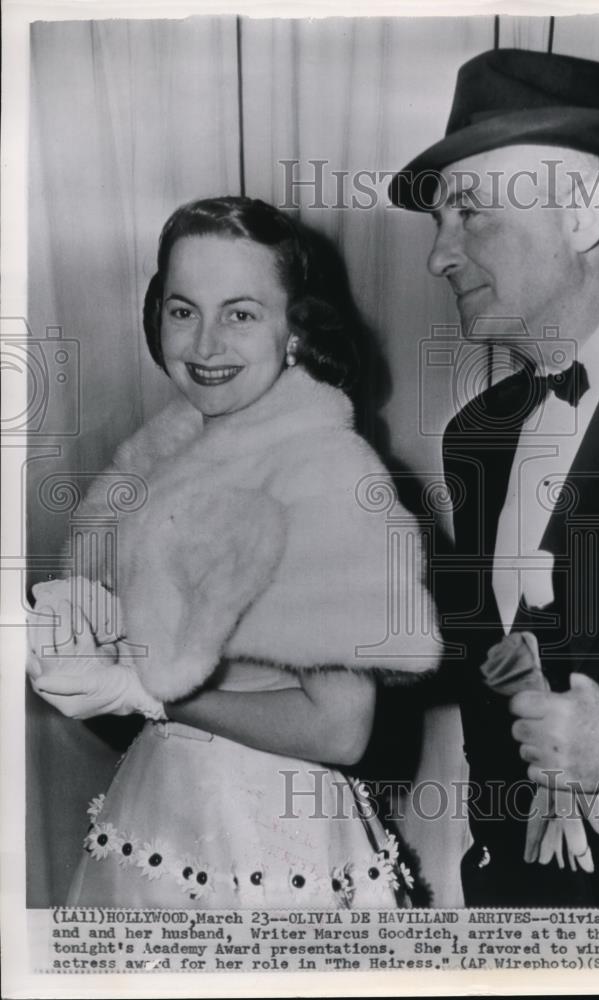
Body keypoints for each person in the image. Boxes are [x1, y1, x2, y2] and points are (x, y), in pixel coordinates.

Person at [27, 196, 440, 909]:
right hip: (163, 807)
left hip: (271, 839)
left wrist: (146, 690)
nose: (205, 344)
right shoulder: (169, 459)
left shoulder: (324, 474)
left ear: (294, 332)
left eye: (241, 313)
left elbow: (341, 730)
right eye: (183, 310)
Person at [389, 49, 599, 907]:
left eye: (469, 213)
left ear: (582, 213)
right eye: (436, 223)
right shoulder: (473, 438)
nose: (439, 256)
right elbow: (491, 670)